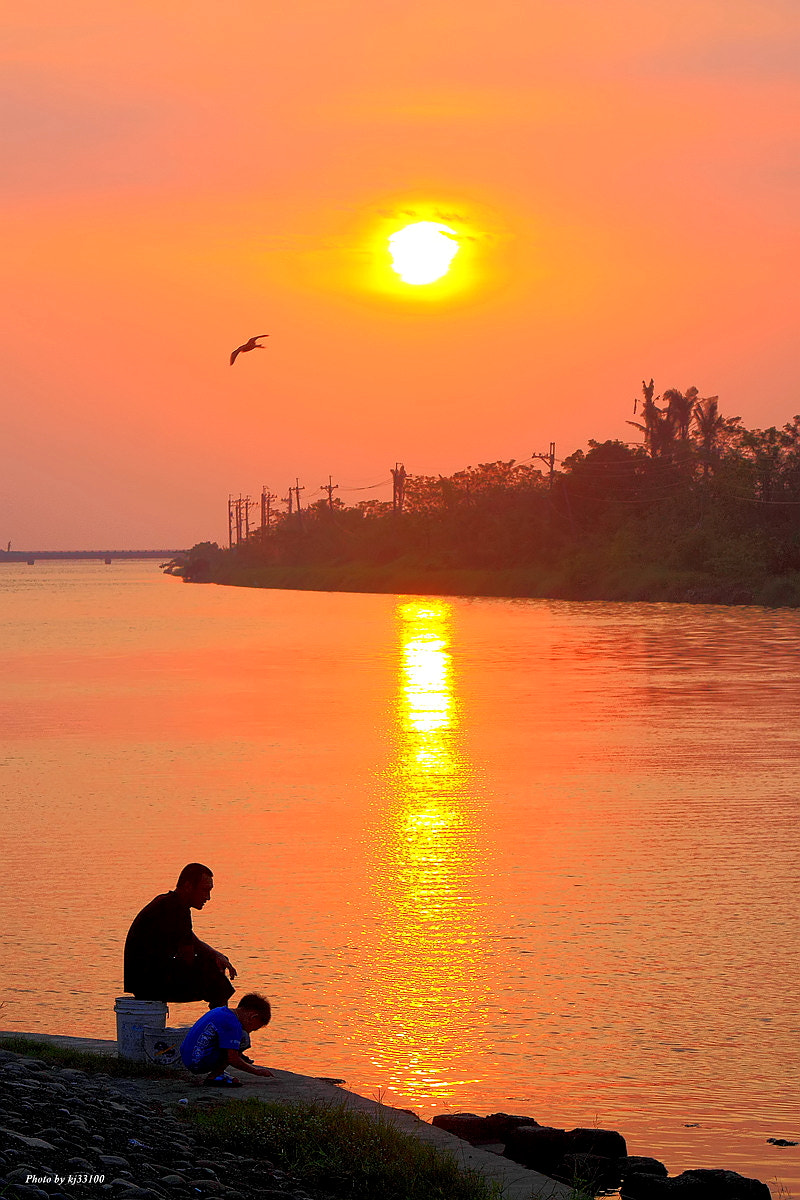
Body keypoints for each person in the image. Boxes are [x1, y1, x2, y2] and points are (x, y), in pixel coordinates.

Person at [123, 863, 236, 1007]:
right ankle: (220, 1025)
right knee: (216, 979)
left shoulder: (168, 902)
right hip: (149, 984)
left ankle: (218, 1021)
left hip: (143, 981)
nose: (208, 897)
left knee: (212, 966)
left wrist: (215, 954)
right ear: (188, 886)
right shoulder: (176, 909)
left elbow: (190, 939)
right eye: (204, 890)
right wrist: (212, 963)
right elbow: (187, 957)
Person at [180, 993, 273, 1087]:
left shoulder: (220, 1011)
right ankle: (216, 1075)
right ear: (253, 1017)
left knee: (236, 1041)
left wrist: (240, 1056)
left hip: (188, 1058)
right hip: (198, 1063)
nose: (250, 1032)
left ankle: (217, 1073)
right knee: (244, 1038)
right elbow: (232, 1058)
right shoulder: (233, 1024)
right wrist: (257, 1071)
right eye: (253, 1029)